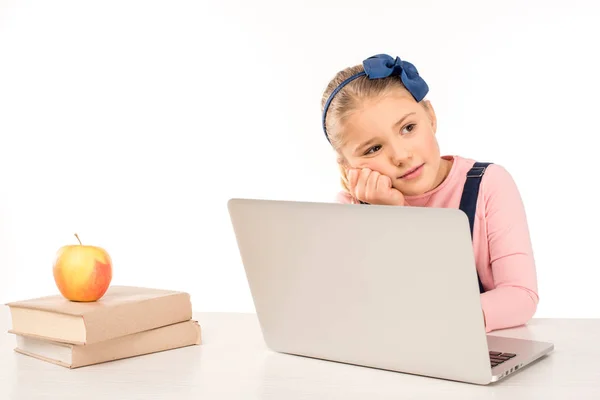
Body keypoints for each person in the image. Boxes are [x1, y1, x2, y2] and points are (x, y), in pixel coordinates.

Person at [320, 53, 538, 333]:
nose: (400, 155)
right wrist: (385, 217)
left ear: (431, 118)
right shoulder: (352, 207)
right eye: (373, 149)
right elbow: (345, 307)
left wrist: (435, 324)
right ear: (347, 165)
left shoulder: (488, 185)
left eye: (408, 128)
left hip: (471, 342)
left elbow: (521, 296)